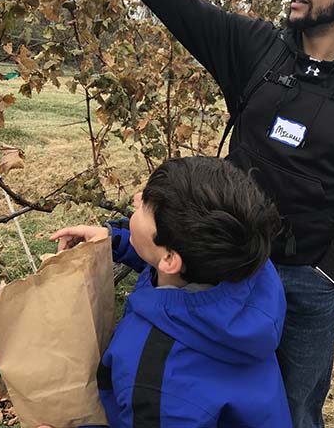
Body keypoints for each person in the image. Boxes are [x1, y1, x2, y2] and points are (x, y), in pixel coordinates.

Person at [23, 0, 334, 426]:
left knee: (295, 411)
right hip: (223, 270)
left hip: (307, 282)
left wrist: (332, 270)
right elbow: (174, 2)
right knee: (206, 404)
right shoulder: (258, 49)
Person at [47, 156, 292, 428]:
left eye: (145, 207)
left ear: (170, 259)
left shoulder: (159, 381)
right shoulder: (246, 265)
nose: (137, 198)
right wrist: (115, 241)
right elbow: (180, 264)